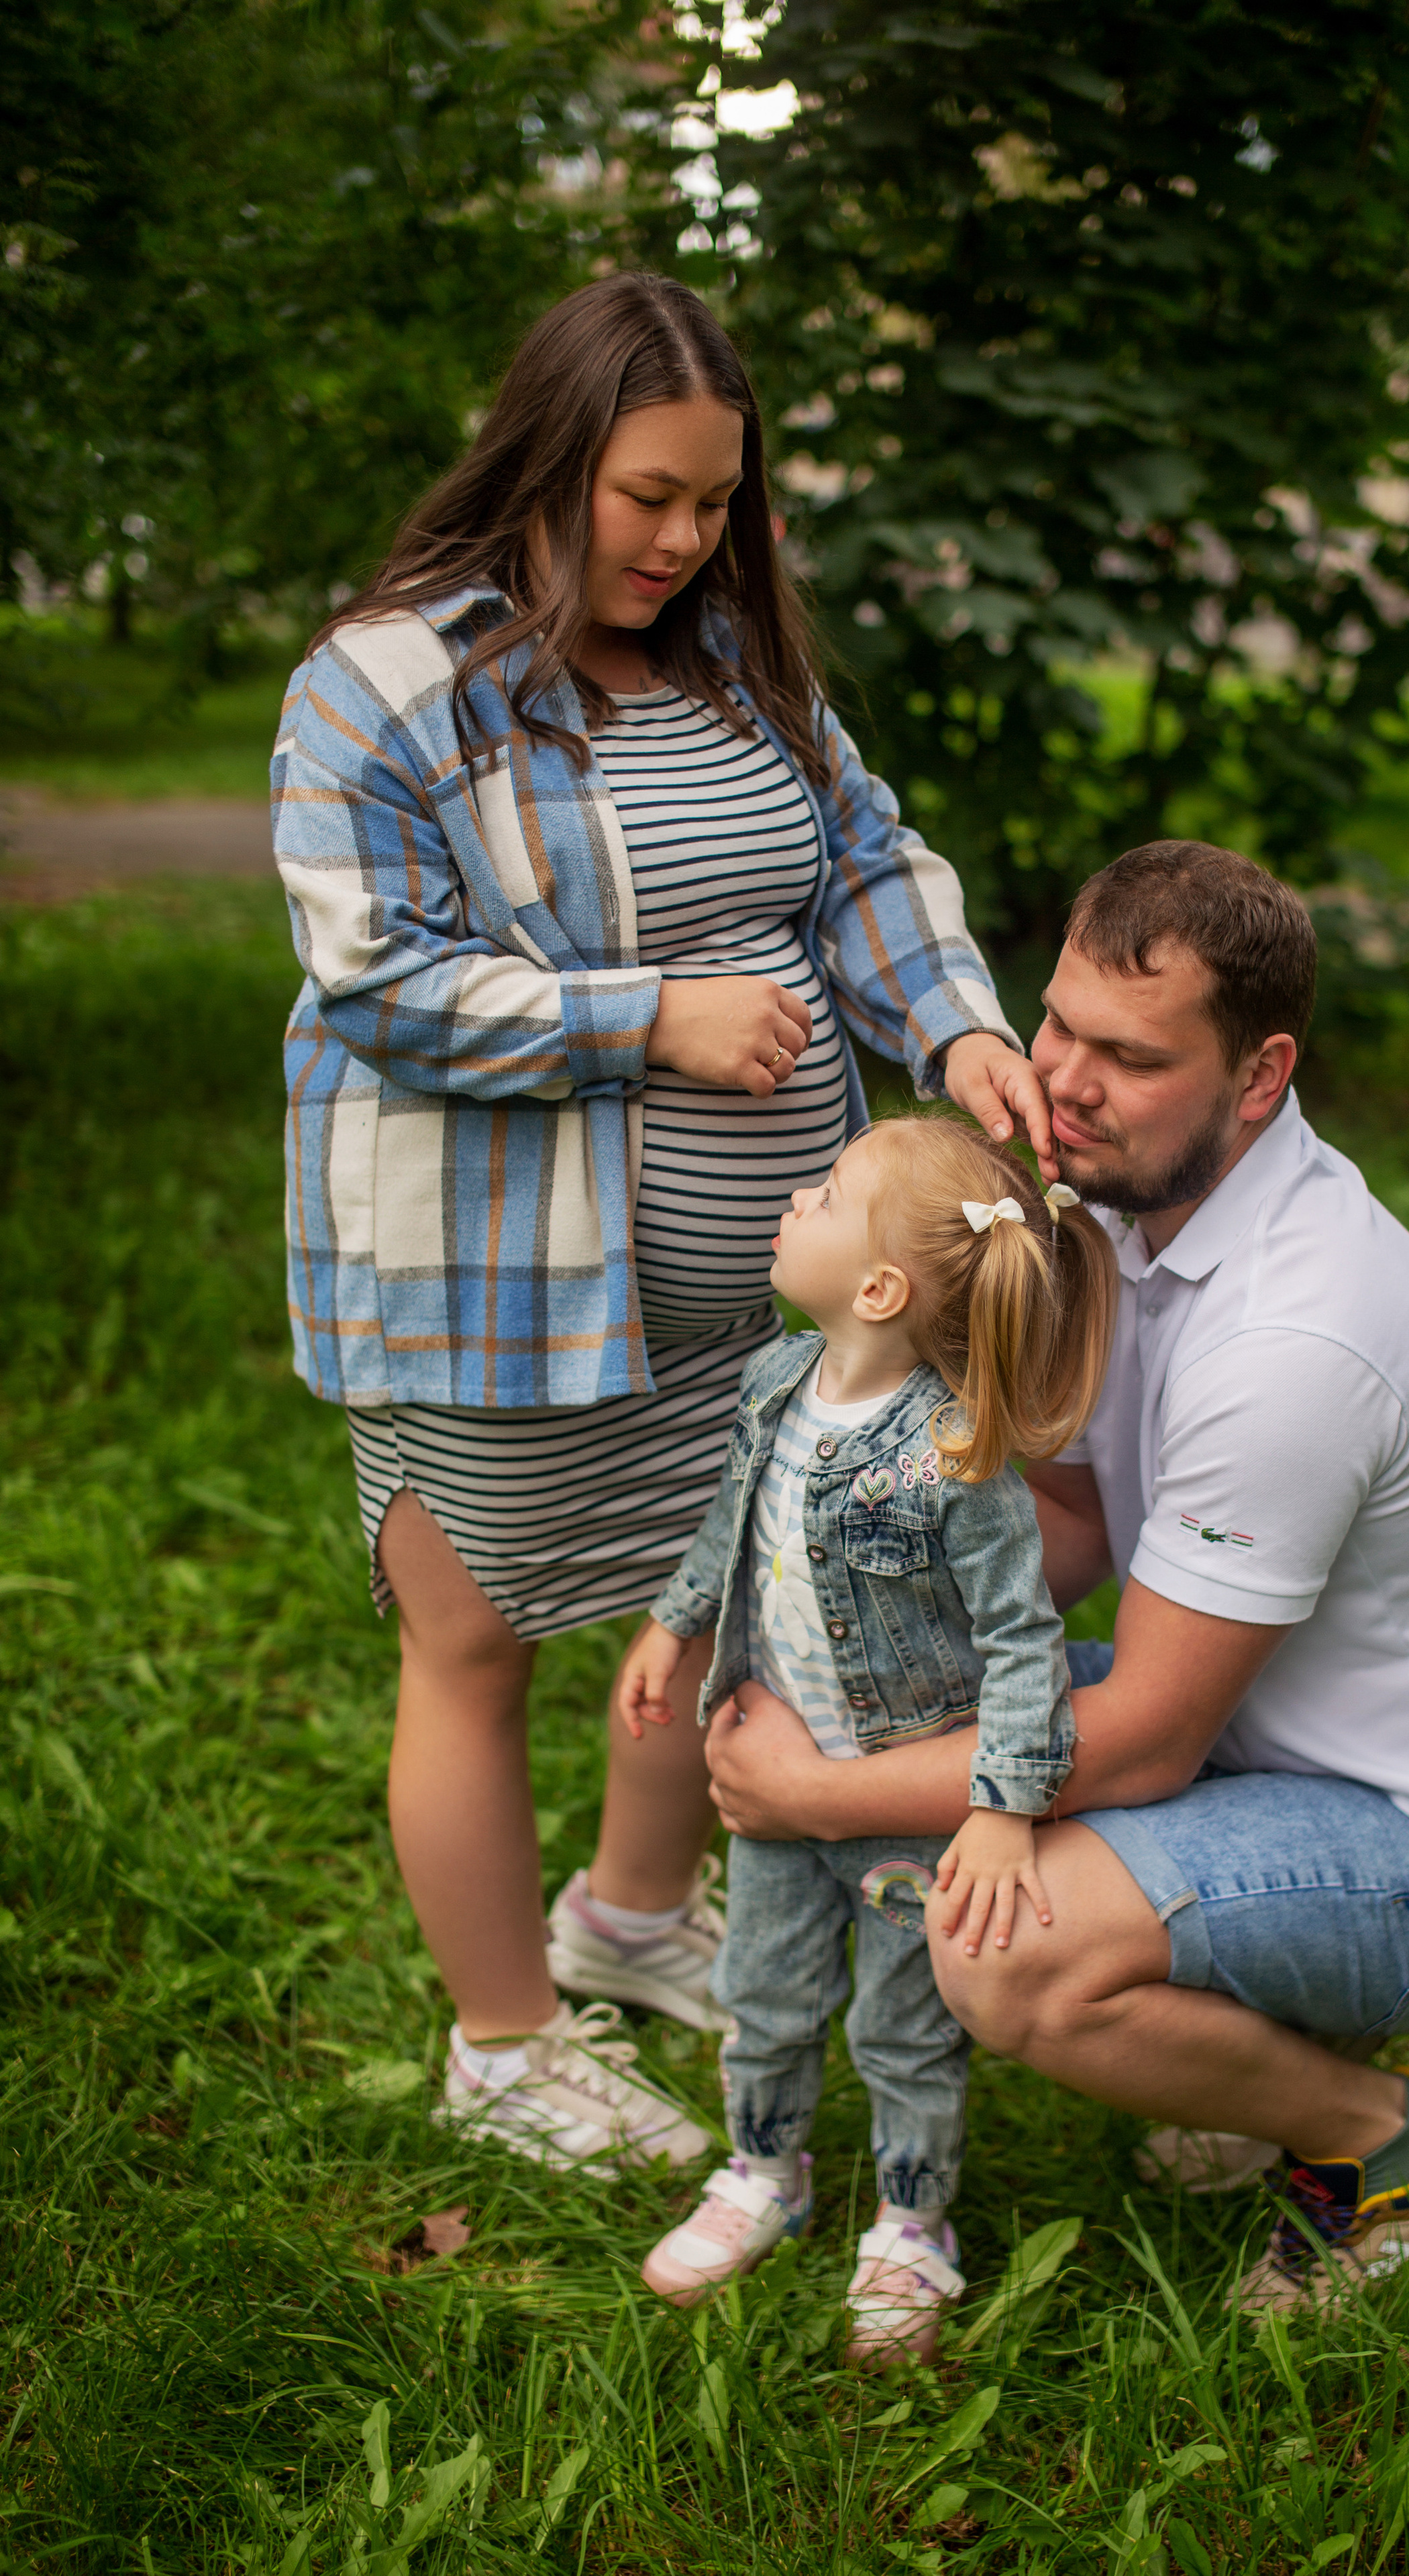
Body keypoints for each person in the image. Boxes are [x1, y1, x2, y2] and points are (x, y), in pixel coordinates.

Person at [268, 272, 1054, 2173]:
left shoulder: (735, 663)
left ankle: (629, 1920)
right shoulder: (384, 688)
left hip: (752, 1308)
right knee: (472, 1647)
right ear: (546, 461)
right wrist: (655, 1021)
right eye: (648, 496)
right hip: (494, 1296)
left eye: (718, 499)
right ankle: (505, 2040)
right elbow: (374, 977)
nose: (687, 538)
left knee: (715, 1623)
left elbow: (862, 862)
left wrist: (955, 1028)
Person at [704, 838, 1409, 2315]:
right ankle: (1246, 2028)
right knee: (930, 1754)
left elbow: (1147, 1739)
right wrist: (854, 1646)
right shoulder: (1116, 1206)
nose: (1059, 1080)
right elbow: (1069, 1508)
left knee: (1003, 1951)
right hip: (1272, 1749)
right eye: (1055, 1022)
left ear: (1257, 1078)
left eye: (1127, 1055)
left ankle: (1395, 2143)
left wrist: (822, 1792)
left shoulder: (1290, 1343)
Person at [616, 1116, 1115, 2360]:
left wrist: (1000, 1807)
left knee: (906, 2023)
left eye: (827, 1191)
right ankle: (763, 2172)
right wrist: (674, 1630)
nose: (797, 1195)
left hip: (904, 1806)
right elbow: (731, 1524)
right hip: (776, 1777)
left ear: (881, 1287)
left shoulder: (957, 1460)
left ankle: (911, 2222)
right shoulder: (773, 1382)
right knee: (764, 1993)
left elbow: (1022, 1643)